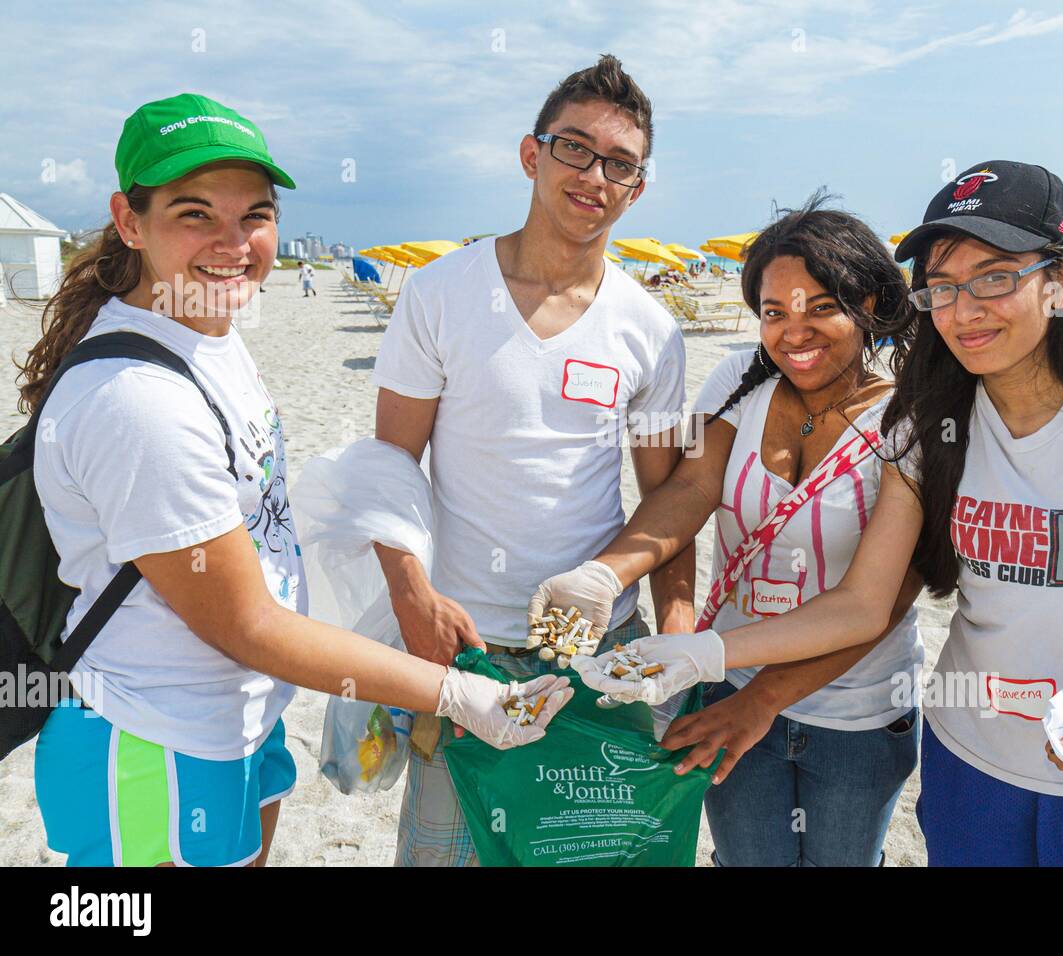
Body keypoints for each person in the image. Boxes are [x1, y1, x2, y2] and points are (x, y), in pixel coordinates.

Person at [569, 161, 1063, 866]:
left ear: (1059, 280)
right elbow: (851, 594)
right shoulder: (933, 423)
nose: (965, 309)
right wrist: (678, 632)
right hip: (972, 763)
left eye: (995, 278)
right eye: (943, 287)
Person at [23, 93, 571, 868]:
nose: (233, 242)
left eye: (254, 215)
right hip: (154, 738)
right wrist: (452, 694)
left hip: (240, 718)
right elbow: (244, 624)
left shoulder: (208, 334)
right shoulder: (137, 401)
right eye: (194, 214)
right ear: (128, 221)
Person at [368, 55, 693, 867]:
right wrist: (412, 601)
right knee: (443, 852)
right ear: (531, 154)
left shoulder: (649, 328)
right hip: (464, 648)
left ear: (638, 189)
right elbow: (389, 469)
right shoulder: (439, 292)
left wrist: (677, 638)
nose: (594, 176)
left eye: (620, 164)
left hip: (600, 654)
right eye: (574, 149)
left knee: (586, 854)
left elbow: (673, 501)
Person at [533, 194, 925, 866]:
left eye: (820, 307)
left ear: (871, 307)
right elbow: (687, 491)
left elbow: (884, 601)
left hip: (858, 714)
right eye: (773, 312)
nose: (792, 332)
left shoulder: (912, 421)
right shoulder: (736, 382)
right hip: (727, 686)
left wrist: (759, 695)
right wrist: (606, 574)